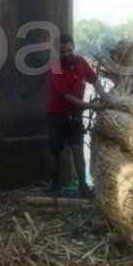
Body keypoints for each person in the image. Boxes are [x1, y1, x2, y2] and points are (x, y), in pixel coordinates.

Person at [47, 33, 107, 198]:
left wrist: (105, 97)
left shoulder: (81, 62)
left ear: (73, 47)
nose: (66, 54)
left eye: (69, 50)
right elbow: (67, 96)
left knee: (78, 149)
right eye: (63, 52)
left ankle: (83, 186)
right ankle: (55, 186)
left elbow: (94, 80)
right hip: (57, 114)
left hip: (75, 114)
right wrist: (92, 106)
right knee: (55, 151)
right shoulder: (56, 67)